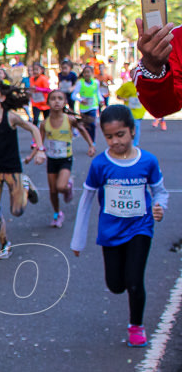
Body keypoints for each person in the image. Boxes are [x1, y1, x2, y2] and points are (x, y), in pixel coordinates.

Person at [70, 105, 167, 348]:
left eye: (120, 135)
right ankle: (124, 288)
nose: (116, 141)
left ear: (133, 131)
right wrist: (78, 240)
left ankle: (137, 326)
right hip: (110, 231)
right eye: (109, 137)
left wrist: (159, 207)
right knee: (115, 285)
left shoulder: (147, 161)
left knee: (134, 281)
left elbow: (160, 192)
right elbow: (87, 200)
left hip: (140, 227)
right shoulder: (100, 165)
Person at [0, 80, 44, 259]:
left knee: (17, 211)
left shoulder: (11, 117)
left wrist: (40, 149)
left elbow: (34, 129)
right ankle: (4, 244)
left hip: (13, 170)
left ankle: (25, 184)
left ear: (2, 97)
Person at [40, 89, 96, 228]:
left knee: (60, 187)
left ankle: (67, 187)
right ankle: (57, 213)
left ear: (65, 102)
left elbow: (83, 130)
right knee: (52, 191)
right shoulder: (44, 123)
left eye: (60, 98)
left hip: (65, 159)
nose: (56, 101)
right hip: (52, 159)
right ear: (48, 103)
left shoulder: (69, 120)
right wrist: (35, 154)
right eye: (53, 98)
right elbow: (39, 142)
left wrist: (91, 145)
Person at [73, 65, 102, 142]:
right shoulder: (80, 83)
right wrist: (80, 100)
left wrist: (101, 100)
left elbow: (97, 93)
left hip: (93, 106)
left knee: (92, 124)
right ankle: (88, 139)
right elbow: (73, 95)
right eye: (85, 72)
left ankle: (93, 141)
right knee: (85, 125)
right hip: (83, 108)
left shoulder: (96, 82)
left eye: (88, 72)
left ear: (92, 73)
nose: (87, 74)